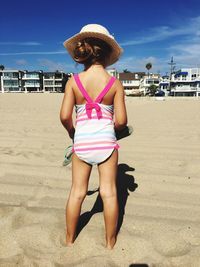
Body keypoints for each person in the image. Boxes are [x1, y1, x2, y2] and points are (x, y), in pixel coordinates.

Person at [60, 24, 127, 249]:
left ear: (83, 52)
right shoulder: (115, 84)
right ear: (108, 54)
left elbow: (64, 116)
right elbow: (121, 121)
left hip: (82, 143)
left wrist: (72, 131)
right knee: (109, 192)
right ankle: (110, 242)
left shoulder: (73, 82)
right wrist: (115, 130)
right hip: (106, 144)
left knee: (77, 192)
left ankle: (70, 239)